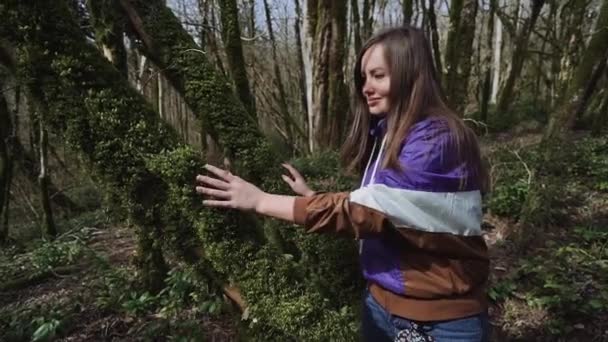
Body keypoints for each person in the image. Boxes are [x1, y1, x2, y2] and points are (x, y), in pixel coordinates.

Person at [195, 26, 489, 342]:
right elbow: (392, 211)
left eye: (378, 75)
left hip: (438, 321)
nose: (367, 87)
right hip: (381, 304)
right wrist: (313, 197)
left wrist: (259, 201)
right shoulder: (390, 132)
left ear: (410, 75)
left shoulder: (437, 139)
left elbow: (366, 210)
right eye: (364, 78)